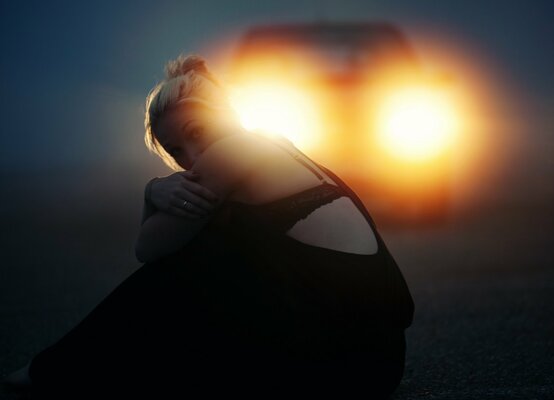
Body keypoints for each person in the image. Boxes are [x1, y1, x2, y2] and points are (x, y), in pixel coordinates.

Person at [3, 54, 414, 399]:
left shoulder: (237, 150)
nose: (193, 156)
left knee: (190, 267)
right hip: (375, 363)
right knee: (217, 251)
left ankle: (47, 373)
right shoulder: (277, 147)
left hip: (345, 364)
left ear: (228, 114)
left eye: (197, 133)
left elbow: (151, 251)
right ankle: (62, 371)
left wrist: (152, 192)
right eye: (175, 152)